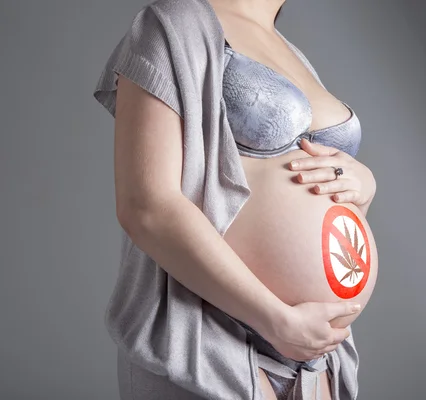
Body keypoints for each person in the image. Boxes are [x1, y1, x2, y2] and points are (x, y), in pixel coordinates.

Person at [92, 0, 378, 399]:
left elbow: (300, 191)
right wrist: (277, 321)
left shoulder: (292, 53)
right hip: (209, 337)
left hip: (314, 356)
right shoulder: (177, 21)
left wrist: (361, 184)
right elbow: (148, 206)